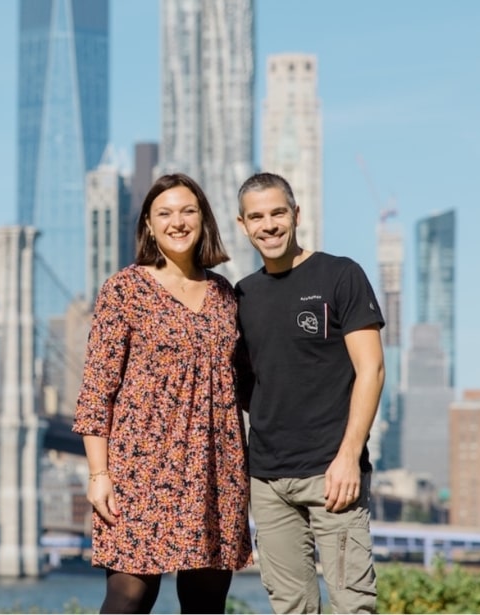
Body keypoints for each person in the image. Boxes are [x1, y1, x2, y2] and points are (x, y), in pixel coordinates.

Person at [73, 173, 253, 614]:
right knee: (130, 595)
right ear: (149, 226)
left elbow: (246, 383)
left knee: (205, 600)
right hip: (140, 466)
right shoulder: (124, 289)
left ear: (204, 219)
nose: (178, 221)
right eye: (165, 213)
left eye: (188, 210)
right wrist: (99, 475)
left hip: (215, 466)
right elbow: (98, 389)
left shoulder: (226, 294)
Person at [233, 172, 385, 614]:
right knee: (292, 607)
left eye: (278, 213)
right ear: (243, 225)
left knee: (352, 605)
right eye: (257, 217)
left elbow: (371, 369)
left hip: (332, 471)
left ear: (296, 215)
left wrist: (348, 456)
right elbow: (248, 387)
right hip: (267, 480)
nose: (269, 225)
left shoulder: (340, 275)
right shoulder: (242, 295)